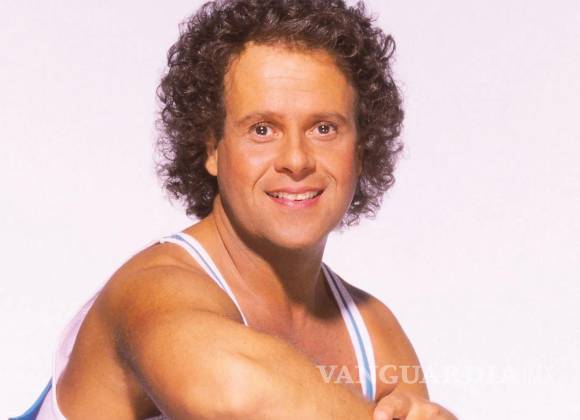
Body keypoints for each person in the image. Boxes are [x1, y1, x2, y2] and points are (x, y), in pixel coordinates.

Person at [14, 0, 457, 418]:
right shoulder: (151, 290)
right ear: (212, 148)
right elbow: (237, 395)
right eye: (262, 129)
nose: (297, 159)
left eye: (324, 128)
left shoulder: (377, 338)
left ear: (360, 150)